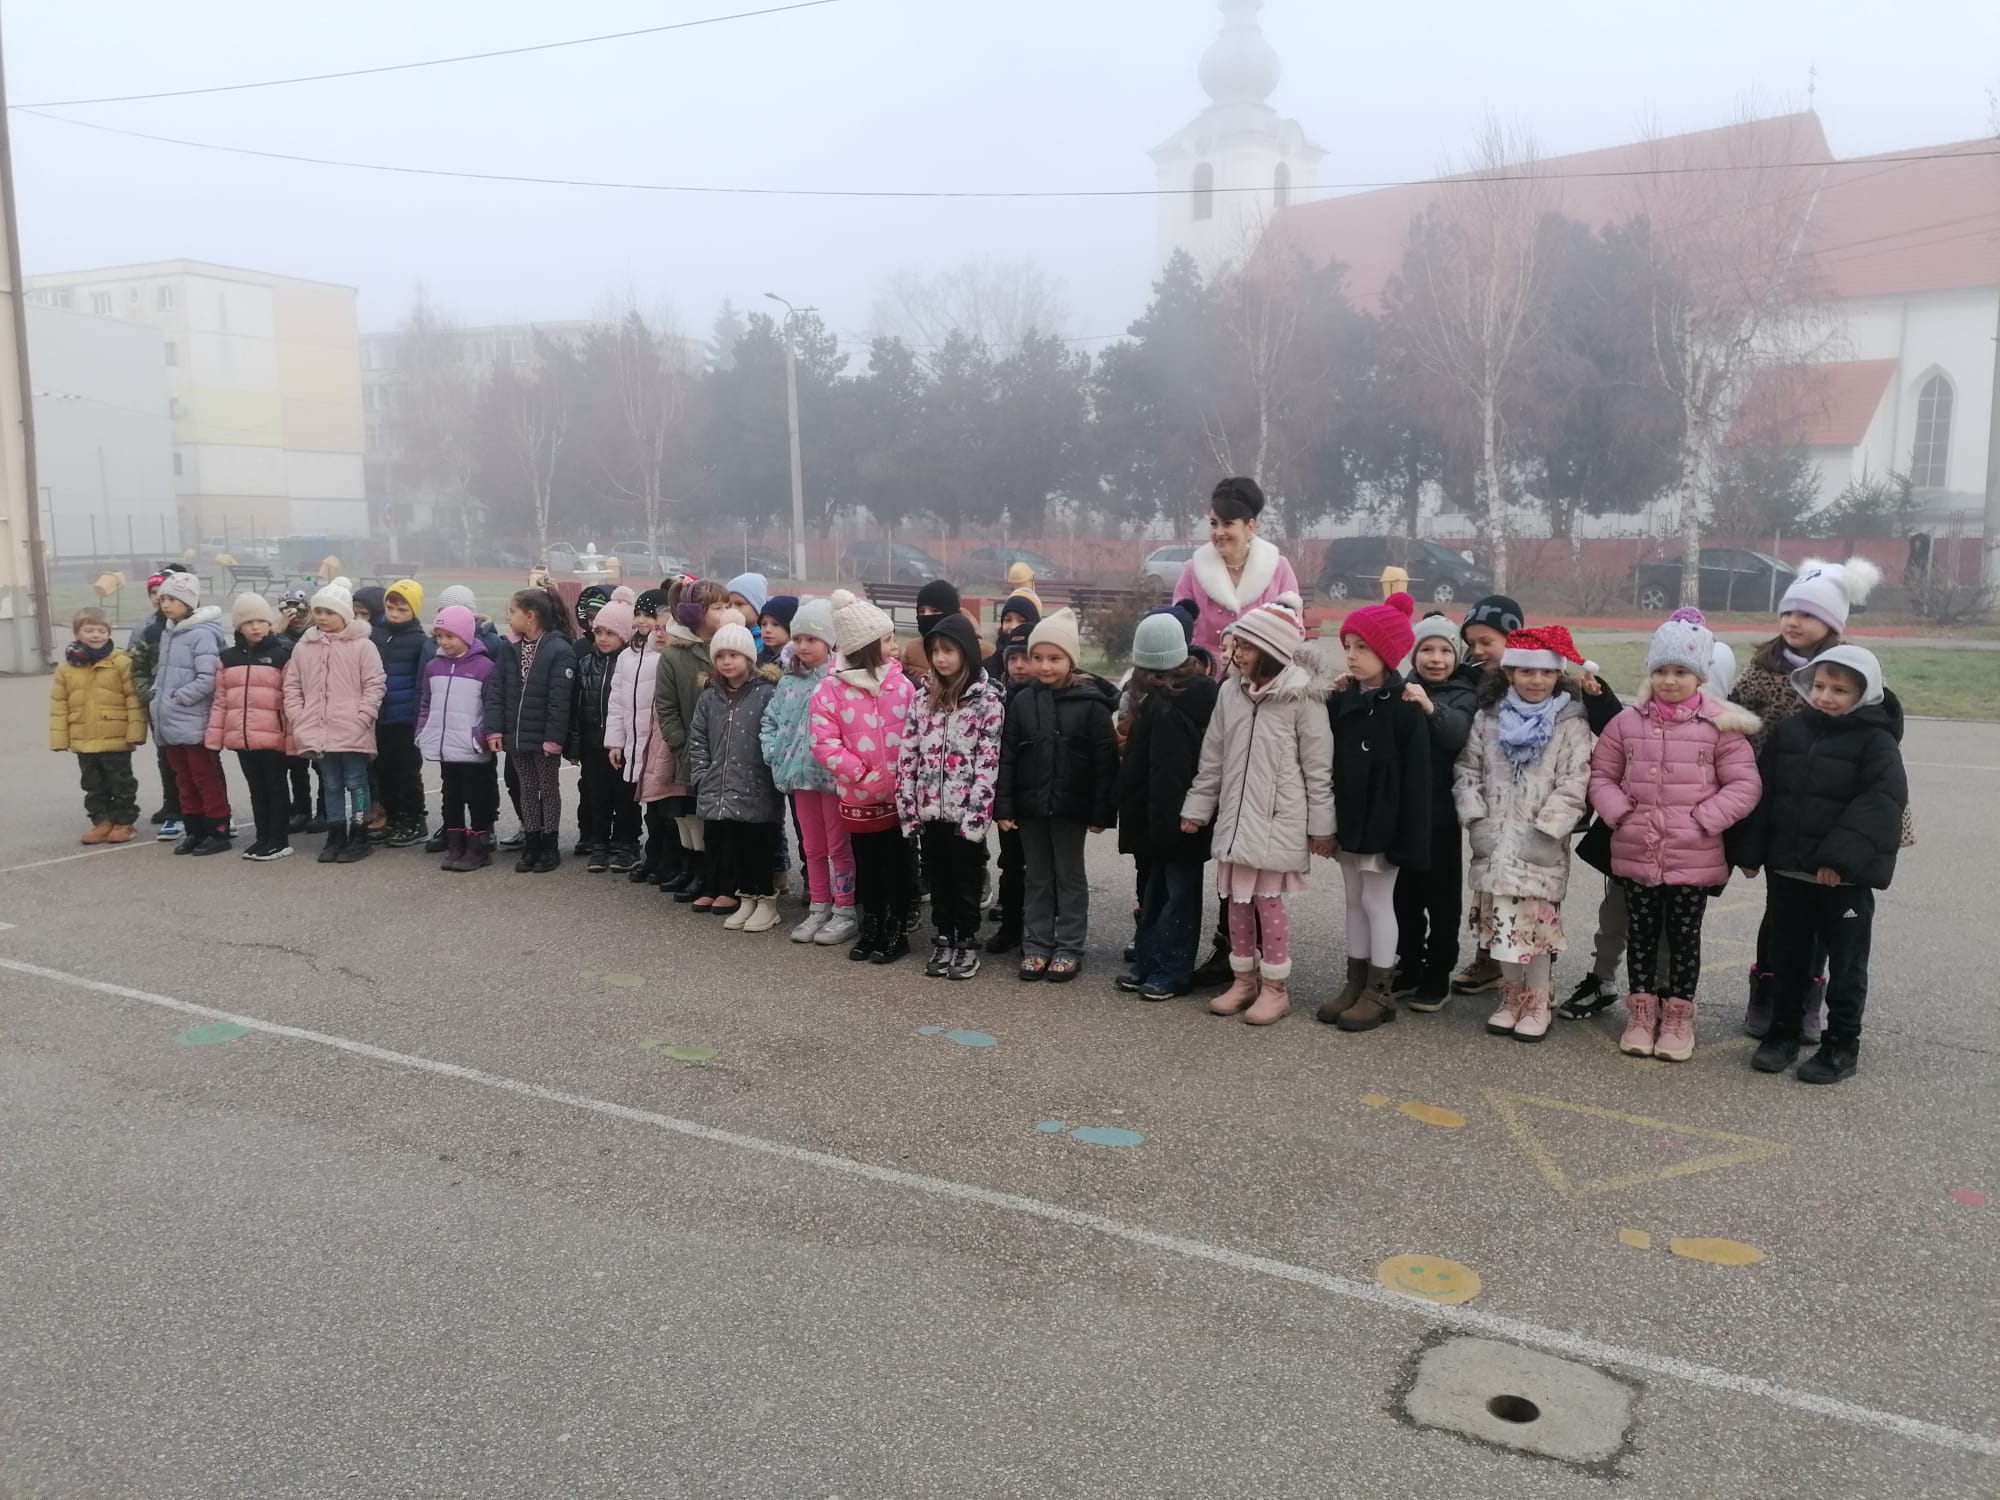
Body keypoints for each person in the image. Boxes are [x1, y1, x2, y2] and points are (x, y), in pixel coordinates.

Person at [1588, 610, 1763, 1061]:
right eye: (1661, 670)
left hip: (1693, 854)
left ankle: (1678, 1017)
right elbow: (1602, 774)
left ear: (1700, 676)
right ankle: (1641, 1013)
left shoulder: (1720, 726)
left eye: (1681, 672)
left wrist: (1704, 819)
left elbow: (1744, 784)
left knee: (1684, 939)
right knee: (1642, 935)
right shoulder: (1627, 723)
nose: (1669, 680)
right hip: (1636, 849)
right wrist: (1620, 813)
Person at [1730, 557, 1882, 1042]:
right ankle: (1768, 990)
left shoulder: (1849, 671)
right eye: (1788, 612)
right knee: (1782, 909)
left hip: (1832, 809)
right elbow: (1733, 723)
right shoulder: (1762, 670)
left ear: (1832, 623)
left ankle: (1809, 997)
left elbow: (1876, 745)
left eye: (1808, 615)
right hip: (1777, 800)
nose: (1794, 622)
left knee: (1824, 914)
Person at [1738, 645, 1905, 1086]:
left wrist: (1839, 861)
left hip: (1841, 881)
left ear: (1864, 693)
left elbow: (1881, 802)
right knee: (1788, 957)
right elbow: (1765, 791)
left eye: (1840, 690)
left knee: (1846, 964)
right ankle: (1783, 1032)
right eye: (1819, 686)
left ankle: (1842, 1044)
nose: (1826, 696)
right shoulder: (1791, 731)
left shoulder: (1877, 741)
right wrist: (1751, 852)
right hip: (1788, 871)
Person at [1180, 598, 1334, 1024]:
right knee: (1236, 904)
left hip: (1276, 823)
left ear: (1271, 649)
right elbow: (1213, 757)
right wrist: (1198, 807)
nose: (1236, 653)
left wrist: (1322, 828)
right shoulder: (1230, 692)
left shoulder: (1303, 699)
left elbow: (1318, 768)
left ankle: (1275, 988)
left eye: (1246, 645)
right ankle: (1243, 981)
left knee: (1268, 905)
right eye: (1236, 644)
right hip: (1235, 820)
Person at [1453, 626, 1597, 1042]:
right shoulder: (1489, 718)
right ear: (1510, 673)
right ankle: (1511, 996)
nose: (1537, 681)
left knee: (1536, 930)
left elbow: (1575, 781)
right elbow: (1467, 770)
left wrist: (1548, 830)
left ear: (1558, 676)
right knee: (1503, 927)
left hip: (1538, 843)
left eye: (1547, 673)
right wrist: (1477, 820)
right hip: (1495, 842)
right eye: (1527, 672)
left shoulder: (1570, 722)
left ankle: (1538, 999)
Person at [1322, 592, 1432, 1032]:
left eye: (1362, 647)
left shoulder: (1405, 708)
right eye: (1348, 646)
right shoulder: (1342, 700)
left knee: (1376, 900)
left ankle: (1379, 991)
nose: (1351, 655)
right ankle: (1355, 982)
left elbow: (1417, 779)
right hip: (1351, 820)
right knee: (1353, 900)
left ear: (1386, 652)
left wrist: (1408, 837)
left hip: (1384, 826)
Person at [995, 608, 1118, 983]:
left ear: (1070, 660)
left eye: (1054, 658)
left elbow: (1104, 763)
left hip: (1070, 807)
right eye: (1037, 657)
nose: (1044, 666)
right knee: (1037, 876)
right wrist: (1004, 806)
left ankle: (1069, 946)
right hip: (1030, 807)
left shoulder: (1091, 704)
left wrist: (1101, 813)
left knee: (1069, 875)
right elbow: (1007, 756)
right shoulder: (1021, 701)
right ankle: (1036, 944)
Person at [1114, 609, 1220, 1000]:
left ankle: (1173, 970)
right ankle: (1148, 961)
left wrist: (1183, 814)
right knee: (1155, 892)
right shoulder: (1154, 698)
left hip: (1180, 819)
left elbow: (1179, 768)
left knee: (1178, 895)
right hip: (1156, 816)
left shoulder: (1181, 702)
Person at [809, 590, 916, 964]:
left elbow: (914, 736)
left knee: (898, 864)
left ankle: (897, 927)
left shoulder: (902, 686)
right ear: (867, 645)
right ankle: (872, 922)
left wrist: (905, 777)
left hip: (899, 798)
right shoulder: (830, 690)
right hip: (859, 798)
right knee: (867, 865)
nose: (894, 646)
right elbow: (824, 743)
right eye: (887, 640)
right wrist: (861, 774)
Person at [896, 614, 1005, 980]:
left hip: (965, 814)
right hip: (929, 810)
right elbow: (908, 755)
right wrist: (908, 807)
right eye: (935, 651)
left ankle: (967, 940)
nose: (941, 658)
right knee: (939, 876)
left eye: (949, 651)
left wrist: (976, 817)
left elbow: (988, 762)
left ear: (966, 653)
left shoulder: (987, 702)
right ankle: (944, 935)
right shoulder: (921, 698)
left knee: (966, 878)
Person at [1391, 613, 1477, 1012]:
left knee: (1442, 900)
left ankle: (1438, 972)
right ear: (1414, 654)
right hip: (1405, 813)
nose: (1436, 658)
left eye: (1445, 650)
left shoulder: (1464, 694)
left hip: (1441, 816)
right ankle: (1408, 964)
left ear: (1457, 656)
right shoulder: (1400, 688)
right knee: (1403, 897)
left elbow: (1455, 733)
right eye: (1427, 649)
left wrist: (1429, 707)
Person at [762, 596, 857, 946]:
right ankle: (819, 905)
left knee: (838, 847)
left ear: (829, 642)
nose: (803, 646)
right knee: (813, 846)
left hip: (831, 780)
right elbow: (770, 720)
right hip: (799, 778)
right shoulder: (789, 681)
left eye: (812, 639)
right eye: (799, 638)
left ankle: (845, 908)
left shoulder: (841, 680)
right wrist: (775, 753)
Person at [1447, 593, 1525, 997]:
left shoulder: (1536, 678)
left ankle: (1533, 971)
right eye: (1471, 643)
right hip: (1489, 801)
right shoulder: (1470, 678)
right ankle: (1488, 957)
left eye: (1486, 642)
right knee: (1489, 883)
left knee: (1530, 889)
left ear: (1513, 637)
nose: (1477, 651)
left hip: (1530, 806)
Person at [689, 610, 785, 932]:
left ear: (748, 658)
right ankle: (746, 898)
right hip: (719, 785)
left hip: (757, 786)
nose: (727, 662)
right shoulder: (710, 696)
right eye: (721, 656)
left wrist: (771, 771)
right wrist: (702, 774)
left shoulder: (767, 693)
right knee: (734, 845)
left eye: (734, 655)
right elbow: (698, 737)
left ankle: (766, 902)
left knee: (758, 845)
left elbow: (775, 732)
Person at [283, 578, 386, 864]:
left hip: (352, 729)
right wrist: (298, 716)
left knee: (356, 782)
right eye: (318, 611)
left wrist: (363, 716)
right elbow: (292, 685)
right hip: (318, 730)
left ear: (344, 615)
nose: (322, 617)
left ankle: (359, 833)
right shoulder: (304, 647)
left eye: (329, 612)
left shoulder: (363, 647)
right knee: (330, 783)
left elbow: (375, 684)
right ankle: (336, 833)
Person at [484, 587, 577, 874]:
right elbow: (496, 690)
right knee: (526, 788)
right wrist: (494, 730)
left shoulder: (558, 649)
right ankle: (532, 842)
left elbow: (560, 700)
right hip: (516, 736)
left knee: (547, 789)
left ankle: (549, 845)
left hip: (544, 739)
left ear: (530, 616)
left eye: (512, 612)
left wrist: (554, 739)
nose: (508, 617)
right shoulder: (509, 648)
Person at [1171, 476, 1302, 676]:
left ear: (1250, 526)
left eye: (1228, 524)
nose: (1219, 532)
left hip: (1262, 676)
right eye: (1214, 523)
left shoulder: (1278, 568)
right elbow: (1178, 629)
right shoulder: (1193, 570)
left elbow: (1294, 630)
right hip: (1206, 675)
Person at [204, 594, 296, 861]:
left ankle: (279, 840)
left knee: (276, 787)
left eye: (260, 621)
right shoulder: (228, 659)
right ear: (238, 627)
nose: (255, 627)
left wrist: (292, 738)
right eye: (248, 622)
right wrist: (214, 737)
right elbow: (221, 701)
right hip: (242, 738)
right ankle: (262, 837)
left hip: (273, 737)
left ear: (269, 623)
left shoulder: (281, 656)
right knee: (256, 788)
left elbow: (289, 700)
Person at [150, 570, 233, 856]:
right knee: (183, 779)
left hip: (192, 720)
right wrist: (157, 695)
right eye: (163, 599)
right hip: (170, 721)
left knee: (204, 777)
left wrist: (178, 698)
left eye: (172, 599)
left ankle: (218, 829)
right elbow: (163, 673)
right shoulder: (170, 633)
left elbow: (208, 678)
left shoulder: (201, 634)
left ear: (189, 602)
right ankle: (194, 830)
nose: (165, 604)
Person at [655, 578, 728, 903]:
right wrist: (680, 744)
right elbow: (666, 706)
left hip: (725, 750)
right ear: (697, 613)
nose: (725, 612)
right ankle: (698, 871)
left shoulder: (727, 649)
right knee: (691, 812)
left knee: (717, 819)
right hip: (690, 750)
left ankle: (718, 878)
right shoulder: (674, 655)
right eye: (717, 607)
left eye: (726, 606)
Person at [50, 605, 145, 844]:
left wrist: (135, 731)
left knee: (121, 783)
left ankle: (124, 822)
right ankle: (101, 821)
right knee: (93, 784)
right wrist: (60, 739)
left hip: (116, 737)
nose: (96, 635)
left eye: (101, 631)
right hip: (83, 738)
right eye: (89, 630)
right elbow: (59, 703)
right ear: (77, 633)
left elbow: (133, 699)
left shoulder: (120, 662)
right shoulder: (66, 668)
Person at [418, 603, 500, 872]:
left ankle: (479, 847)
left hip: (472, 748)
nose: (443, 642)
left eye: (450, 636)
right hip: (446, 749)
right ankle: (456, 844)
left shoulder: (484, 667)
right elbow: (426, 703)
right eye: (439, 636)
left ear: (466, 635)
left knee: (477, 798)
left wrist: (484, 735)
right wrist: (422, 730)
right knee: (450, 797)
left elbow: (491, 706)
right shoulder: (433, 667)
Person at [606, 589, 675, 887]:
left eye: (650, 615)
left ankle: (665, 858)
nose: (643, 620)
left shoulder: (664, 653)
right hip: (634, 742)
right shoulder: (626, 656)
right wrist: (616, 741)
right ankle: (653, 856)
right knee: (646, 804)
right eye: (639, 614)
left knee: (663, 807)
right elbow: (617, 700)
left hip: (658, 742)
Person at [572, 598, 641, 873]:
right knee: (596, 796)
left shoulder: (630, 663)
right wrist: (575, 745)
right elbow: (577, 707)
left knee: (626, 797)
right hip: (593, 743)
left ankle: (628, 843)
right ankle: (599, 843)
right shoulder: (586, 663)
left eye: (610, 633)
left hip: (623, 744)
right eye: (599, 631)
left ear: (624, 635)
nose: (602, 638)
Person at [369, 579, 432, 848]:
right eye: (390, 607)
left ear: (414, 610)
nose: (394, 614)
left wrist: (420, 717)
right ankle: (393, 817)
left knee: (407, 772)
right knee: (383, 770)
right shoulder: (374, 633)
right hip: (378, 715)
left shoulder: (419, 640)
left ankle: (415, 819)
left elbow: (422, 681)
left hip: (405, 717)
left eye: (402, 609)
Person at [129, 568, 188, 841]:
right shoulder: (146, 630)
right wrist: (148, 695)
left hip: (186, 702)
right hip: (158, 703)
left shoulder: (193, 626)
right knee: (166, 756)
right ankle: (172, 804)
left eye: (165, 594)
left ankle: (196, 807)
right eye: (155, 594)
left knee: (195, 758)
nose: (160, 599)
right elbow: (136, 666)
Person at [276, 588, 321, 833]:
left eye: (301, 610)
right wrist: (278, 630)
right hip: (289, 708)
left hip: (316, 705)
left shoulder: (317, 634)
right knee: (294, 763)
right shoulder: (279, 635)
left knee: (322, 765)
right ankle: (301, 808)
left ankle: (324, 811)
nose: (295, 615)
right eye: (288, 608)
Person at [759, 595, 797, 668]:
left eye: (775, 624)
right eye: (763, 624)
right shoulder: (757, 660)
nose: (767, 630)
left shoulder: (798, 663)